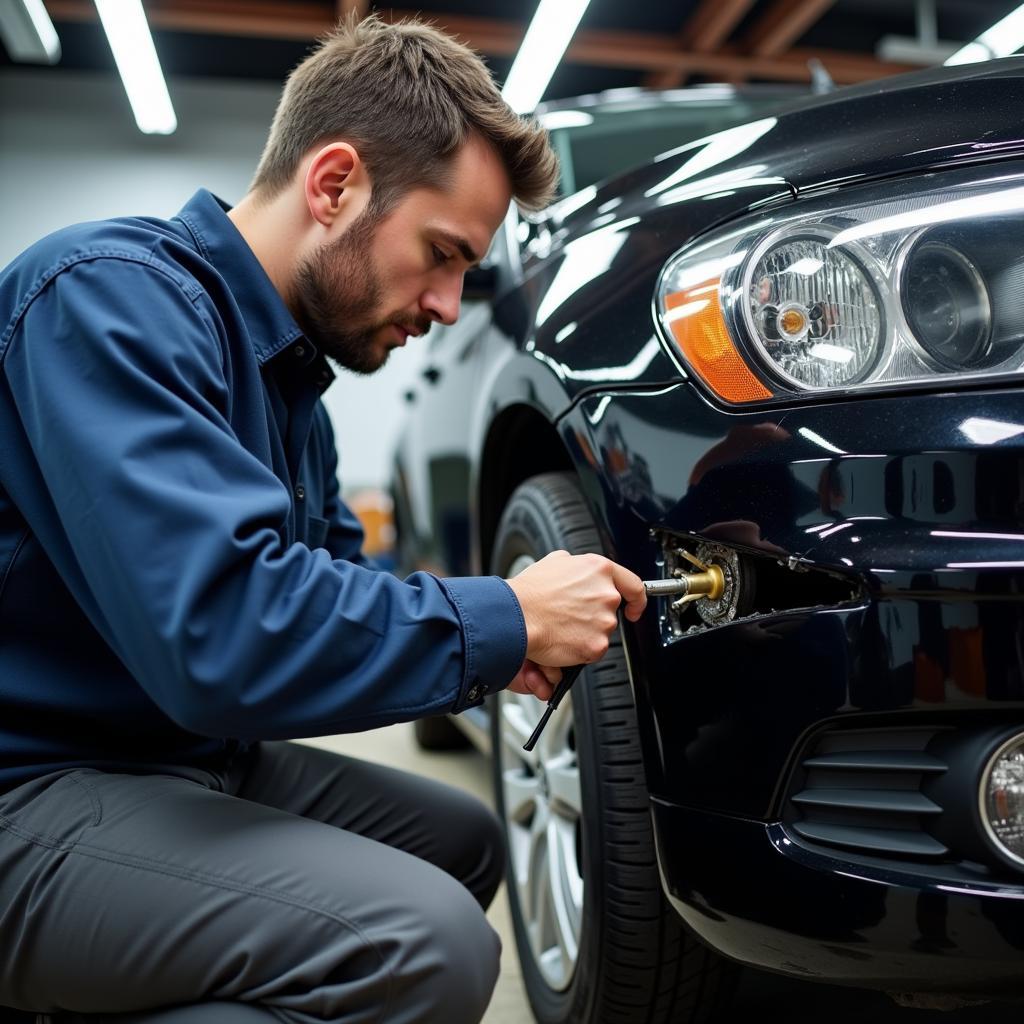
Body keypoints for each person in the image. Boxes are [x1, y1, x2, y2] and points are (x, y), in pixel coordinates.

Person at [0, 14, 646, 1024]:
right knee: (422, 943)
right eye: (441, 254)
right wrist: (502, 617)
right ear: (334, 183)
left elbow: (337, 590)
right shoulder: (106, 298)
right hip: (29, 784)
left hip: (171, 754)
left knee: (460, 842)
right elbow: (219, 635)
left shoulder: (295, 386)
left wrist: (485, 647)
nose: (445, 305)